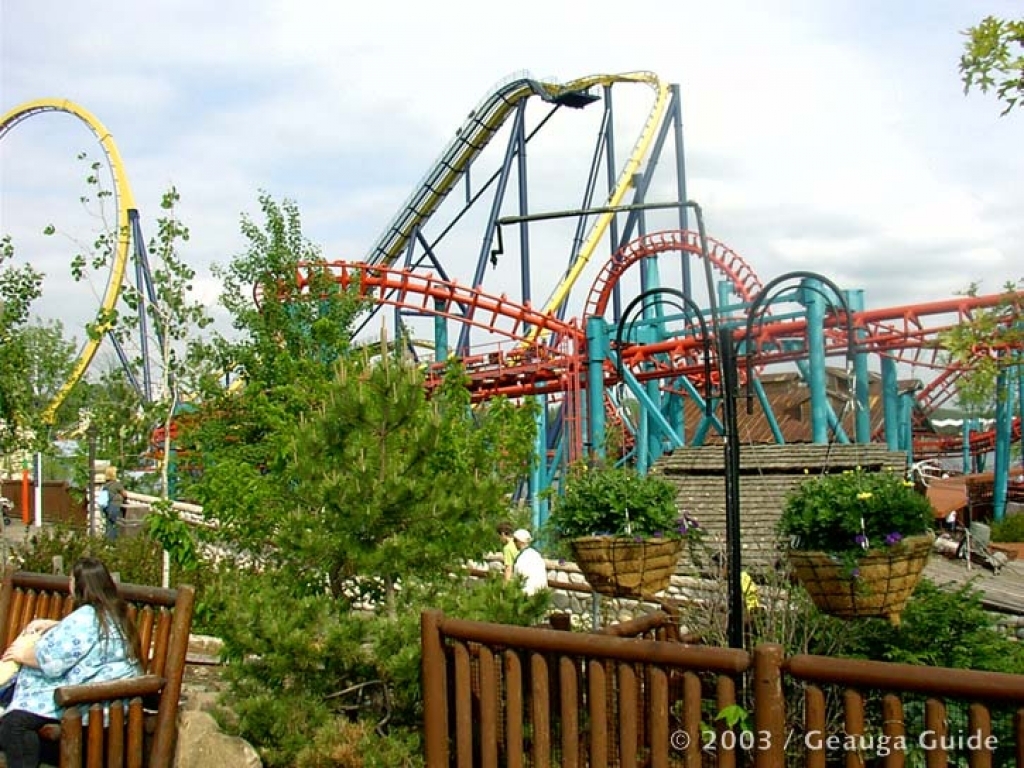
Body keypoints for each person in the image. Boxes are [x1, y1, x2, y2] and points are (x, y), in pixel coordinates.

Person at [0, 557, 143, 768]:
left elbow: (53, 661)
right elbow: (87, 639)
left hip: (85, 704)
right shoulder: (115, 614)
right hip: (112, 704)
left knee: (14, 725)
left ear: (78, 584)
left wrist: (22, 654)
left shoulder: (85, 617)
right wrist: (55, 626)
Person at [511, 528, 548, 596]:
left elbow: (519, 577)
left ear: (520, 541)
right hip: (540, 594)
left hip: (526, 594)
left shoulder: (521, 558)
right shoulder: (537, 554)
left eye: (515, 540)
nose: (514, 543)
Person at [101, 466, 126, 541]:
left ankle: (109, 544)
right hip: (116, 507)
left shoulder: (105, 485)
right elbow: (125, 494)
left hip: (108, 508)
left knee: (109, 526)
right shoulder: (117, 484)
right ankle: (116, 544)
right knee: (118, 526)